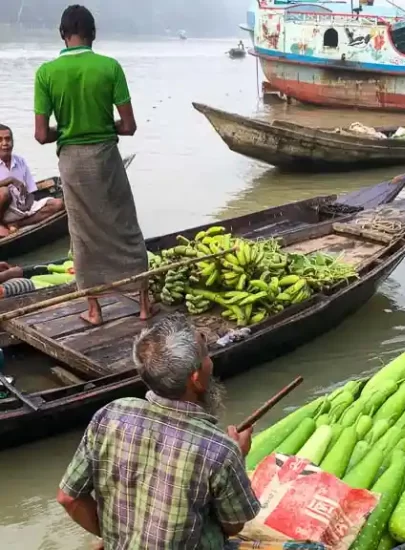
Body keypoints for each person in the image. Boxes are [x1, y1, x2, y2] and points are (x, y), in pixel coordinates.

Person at [57, 313, 260, 549]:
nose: (210, 362)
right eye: (207, 356)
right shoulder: (221, 450)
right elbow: (233, 525)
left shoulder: (110, 414)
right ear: (195, 379)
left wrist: (120, 541)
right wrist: (239, 455)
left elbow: (68, 498)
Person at [34, 5, 154, 326]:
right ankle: (143, 304)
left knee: (82, 233)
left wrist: (72, 129)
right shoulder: (109, 67)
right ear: (93, 34)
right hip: (105, 157)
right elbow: (128, 126)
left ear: (62, 34)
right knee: (124, 224)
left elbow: (41, 134)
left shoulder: (46, 73)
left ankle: (94, 311)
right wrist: (102, 126)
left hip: (71, 163)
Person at [0, 124, 64, 237]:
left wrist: (28, 205)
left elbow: (31, 191)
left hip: (20, 207)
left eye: (8, 139)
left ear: (13, 142)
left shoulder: (20, 161)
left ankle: (18, 223)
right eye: (0, 140)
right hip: (2, 211)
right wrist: (9, 180)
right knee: (4, 192)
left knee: (58, 204)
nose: (5, 143)